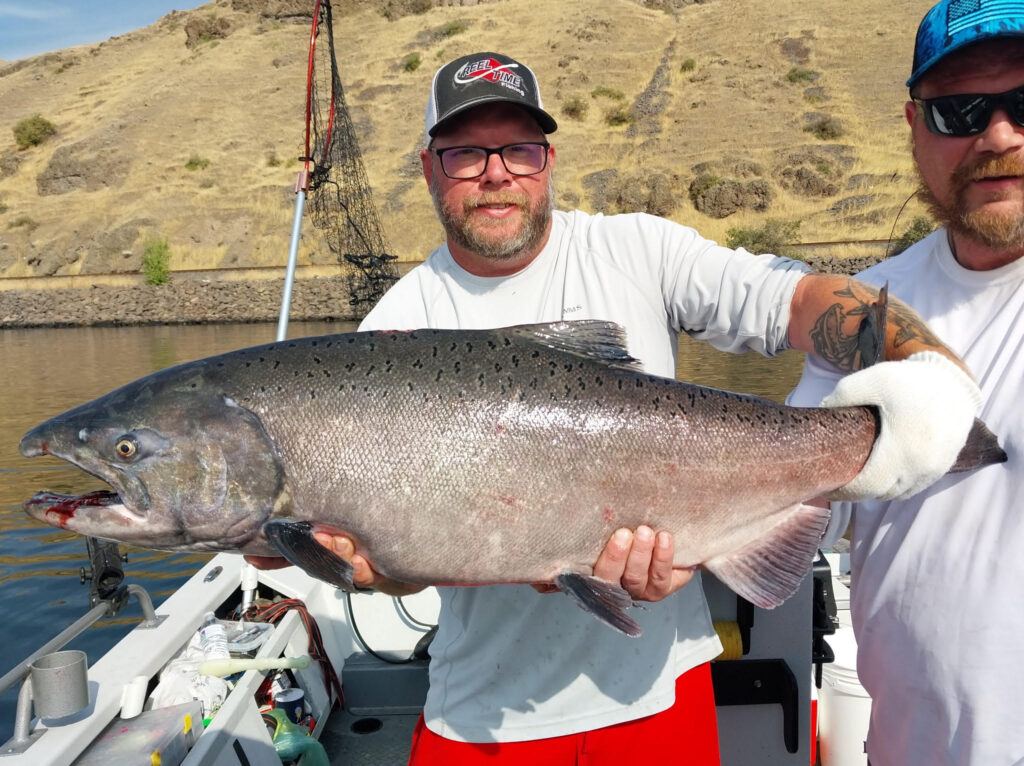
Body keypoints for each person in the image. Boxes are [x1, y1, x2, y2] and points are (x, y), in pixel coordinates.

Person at [250, 51, 985, 764]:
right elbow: (402, 577)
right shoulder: (392, 329)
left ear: (548, 161)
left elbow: (798, 300)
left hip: (662, 694)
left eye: (519, 150)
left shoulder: (636, 248)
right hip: (482, 715)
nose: (496, 173)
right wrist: (368, 570)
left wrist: (934, 380)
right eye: (465, 154)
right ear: (428, 169)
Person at [787, 3, 1024, 764]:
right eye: (961, 111)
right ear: (915, 127)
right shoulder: (867, 308)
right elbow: (797, 513)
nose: (999, 136)